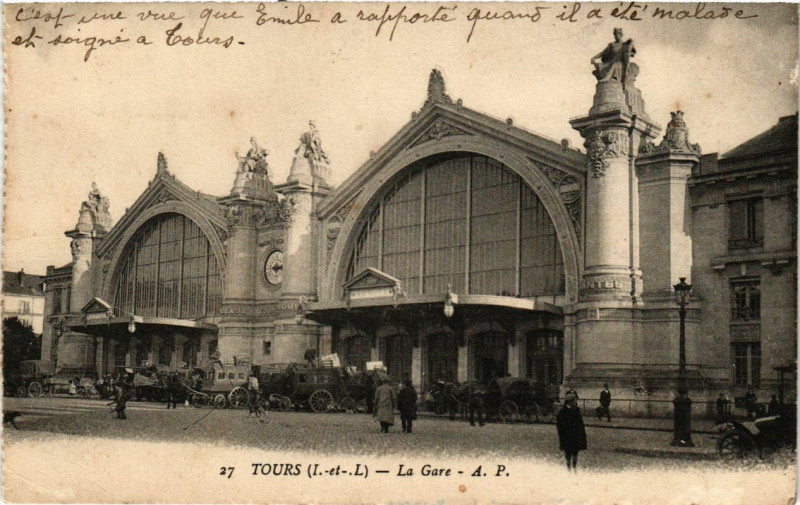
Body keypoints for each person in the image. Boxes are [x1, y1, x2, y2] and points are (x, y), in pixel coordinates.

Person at [556, 392, 587, 472]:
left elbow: (580, 424)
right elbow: (560, 426)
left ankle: (574, 468)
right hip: (567, 437)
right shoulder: (563, 412)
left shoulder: (576, 411)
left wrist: (581, 435)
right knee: (568, 454)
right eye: (574, 400)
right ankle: (568, 469)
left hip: (575, 436)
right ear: (570, 402)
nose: (575, 402)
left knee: (575, 453)